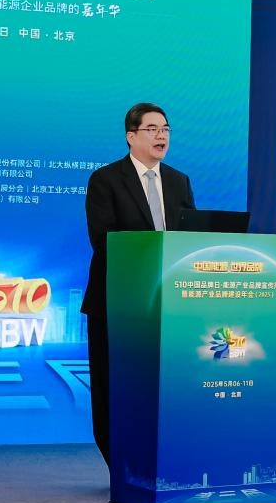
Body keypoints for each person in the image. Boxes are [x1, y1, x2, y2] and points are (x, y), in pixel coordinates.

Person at [83, 102, 195, 465]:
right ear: (131, 137)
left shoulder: (179, 181)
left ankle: (162, 462)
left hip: (167, 304)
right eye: (152, 129)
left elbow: (189, 239)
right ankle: (120, 465)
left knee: (162, 386)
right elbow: (103, 240)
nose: (161, 135)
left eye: (165, 129)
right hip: (118, 303)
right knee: (113, 386)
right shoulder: (106, 180)